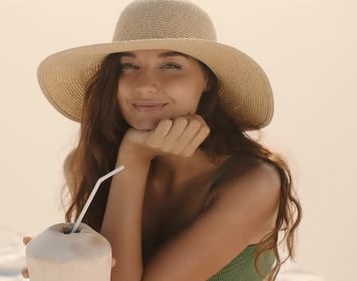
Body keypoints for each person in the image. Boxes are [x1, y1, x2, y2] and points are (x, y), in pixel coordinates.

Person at [23, 0, 301, 280]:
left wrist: (134, 156)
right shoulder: (91, 164)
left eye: (170, 64)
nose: (145, 85)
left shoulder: (255, 183)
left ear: (206, 79)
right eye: (129, 66)